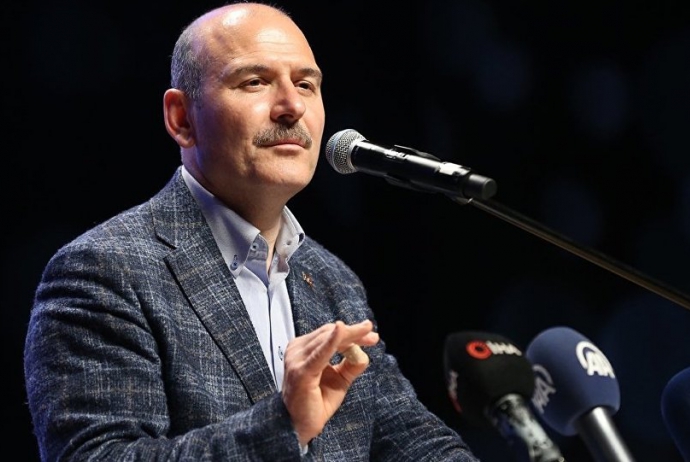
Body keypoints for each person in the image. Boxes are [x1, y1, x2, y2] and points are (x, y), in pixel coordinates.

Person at [24, 2, 480, 460]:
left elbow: (414, 442)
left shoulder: (331, 280)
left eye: (306, 85)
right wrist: (284, 425)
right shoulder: (104, 272)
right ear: (182, 118)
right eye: (255, 82)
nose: (292, 107)